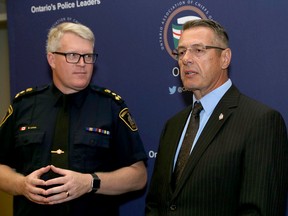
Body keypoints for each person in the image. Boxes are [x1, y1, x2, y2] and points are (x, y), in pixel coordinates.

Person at [0, 22, 147, 216]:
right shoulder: (24, 105)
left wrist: (89, 182)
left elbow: (139, 176)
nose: (82, 63)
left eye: (88, 56)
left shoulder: (110, 106)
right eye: (72, 56)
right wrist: (21, 185)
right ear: (51, 59)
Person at [145, 19, 288, 215]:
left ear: (225, 58)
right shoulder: (173, 125)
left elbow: (259, 210)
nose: (186, 59)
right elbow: (155, 204)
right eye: (181, 51)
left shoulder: (261, 121)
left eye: (198, 50)